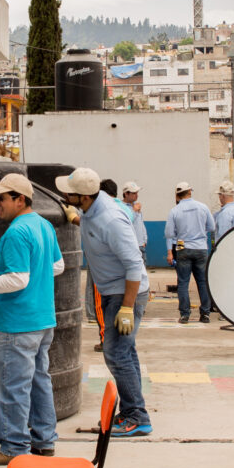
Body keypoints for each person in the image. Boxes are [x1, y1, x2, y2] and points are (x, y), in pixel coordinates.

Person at [0, 173, 64, 463]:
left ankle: (14, 447)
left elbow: (17, 279)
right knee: (39, 381)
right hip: (43, 321)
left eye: (2, 198)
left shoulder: (16, 232)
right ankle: (44, 441)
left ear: (20, 200)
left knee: (12, 386)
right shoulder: (44, 225)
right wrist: (34, 272)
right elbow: (58, 265)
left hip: (18, 324)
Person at [57, 167, 153, 437]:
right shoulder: (93, 209)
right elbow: (92, 225)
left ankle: (137, 416)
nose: (65, 195)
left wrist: (126, 307)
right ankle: (134, 411)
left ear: (84, 197)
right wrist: (75, 219)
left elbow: (134, 264)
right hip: (115, 290)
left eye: (69, 194)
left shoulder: (111, 218)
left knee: (116, 354)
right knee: (125, 352)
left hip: (125, 292)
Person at [165, 182, 217, 324]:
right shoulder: (203, 207)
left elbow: (169, 233)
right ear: (190, 192)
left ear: (177, 195)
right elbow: (212, 227)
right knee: (202, 281)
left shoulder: (175, 211)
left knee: (183, 282)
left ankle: (184, 314)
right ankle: (205, 313)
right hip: (201, 248)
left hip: (183, 249)